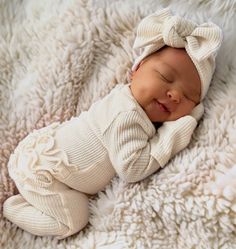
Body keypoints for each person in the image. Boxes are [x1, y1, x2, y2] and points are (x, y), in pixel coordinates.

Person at [3, 8, 222, 239]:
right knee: (73, 221)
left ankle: (35, 198)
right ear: (135, 70)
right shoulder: (126, 114)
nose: (175, 95)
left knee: (74, 202)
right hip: (44, 172)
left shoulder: (130, 106)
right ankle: (14, 209)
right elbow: (132, 169)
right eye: (166, 77)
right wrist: (174, 133)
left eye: (189, 96)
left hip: (45, 157)